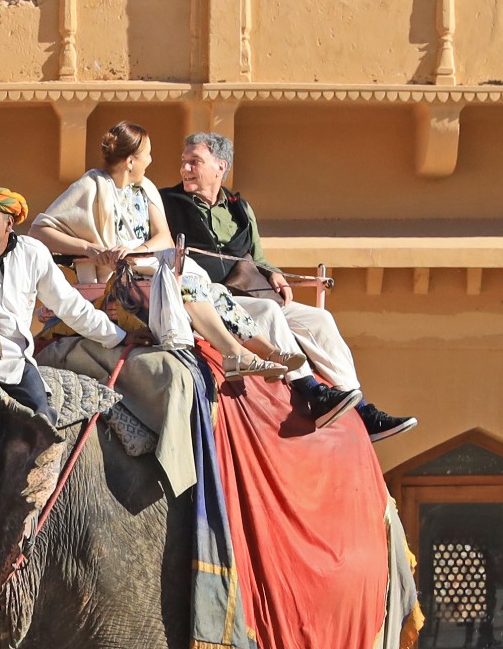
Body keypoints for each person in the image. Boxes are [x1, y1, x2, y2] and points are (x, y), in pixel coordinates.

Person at [162, 132, 417, 440]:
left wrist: (274, 274)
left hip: (249, 293)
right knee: (268, 312)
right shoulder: (167, 202)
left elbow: (258, 256)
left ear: (219, 166)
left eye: (194, 162)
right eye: (184, 162)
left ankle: (361, 406)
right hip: (209, 301)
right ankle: (310, 390)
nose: (185, 169)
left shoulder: (239, 207)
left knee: (320, 319)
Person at [29, 122, 297, 380]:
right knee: (187, 281)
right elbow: (39, 231)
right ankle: (234, 353)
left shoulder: (144, 188)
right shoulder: (92, 185)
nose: (151, 160)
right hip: (120, 279)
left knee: (215, 291)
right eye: (147, 154)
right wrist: (92, 250)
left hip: (147, 266)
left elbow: (164, 237)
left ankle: (268, 352)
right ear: (131, 161)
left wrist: (140, 249)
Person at [0, 185, 126, 420]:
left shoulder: (34, 254)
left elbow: (70, 306)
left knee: (42, 422)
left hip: (16, 360)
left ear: (9, 224)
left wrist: (119, 336)